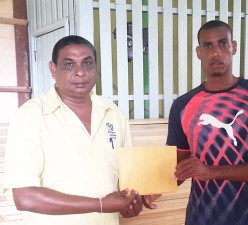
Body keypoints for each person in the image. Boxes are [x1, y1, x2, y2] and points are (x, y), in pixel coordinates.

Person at [144, 20, 248, 225]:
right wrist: (150, 189)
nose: (216, 52)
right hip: (202, 218)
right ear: (198, 52)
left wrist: (212, 171)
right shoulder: (183, 105)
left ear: (234, 47)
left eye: (223, 43)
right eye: (208, 46)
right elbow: (178, 167)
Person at [3, 35, 143, 225]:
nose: (80, 72)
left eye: (87, 64)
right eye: (69, 65)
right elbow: (25, 197)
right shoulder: (31, 116)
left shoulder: (112, 112)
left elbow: (126, 179)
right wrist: (100, 204)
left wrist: (129, 203)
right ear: (53, 69)